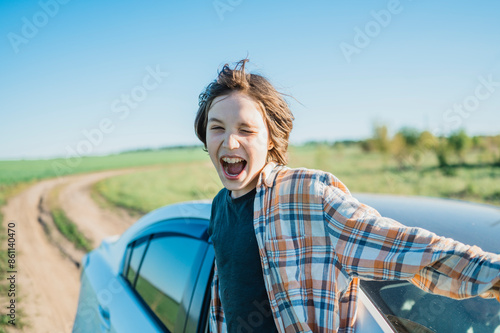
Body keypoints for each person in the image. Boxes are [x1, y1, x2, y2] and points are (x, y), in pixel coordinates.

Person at [194, 59, 500, 333]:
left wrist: (492, 274)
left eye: (246, 130)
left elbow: (405, 248)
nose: (230, 142)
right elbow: (224, 301)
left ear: (271, 137)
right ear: (205, 136)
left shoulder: (305, 195)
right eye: (217, 128)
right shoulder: (220, 206)